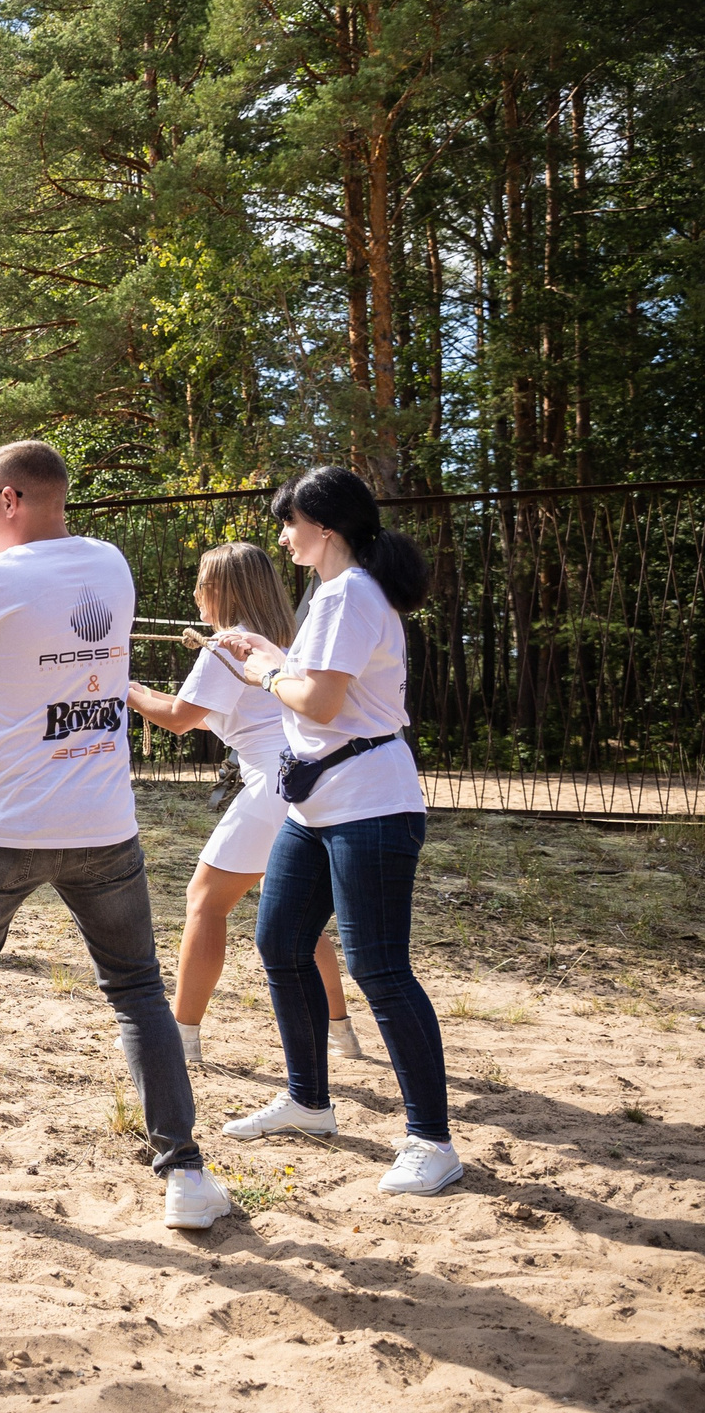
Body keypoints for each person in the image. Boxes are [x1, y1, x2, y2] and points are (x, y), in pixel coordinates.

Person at [0, 440, 226, 1231]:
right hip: (102, 823)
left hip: (2, 824)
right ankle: (185, 1172)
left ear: (10, 500)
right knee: (138, 990)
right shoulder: (110, 562)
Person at [210, 466, 459, 1198]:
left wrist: (262, 674)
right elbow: (315, 684)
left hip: (371, 806)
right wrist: (271, 660)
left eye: (289, 522)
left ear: (325, 526)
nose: (282, 535)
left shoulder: (350, 591)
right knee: (280, 942)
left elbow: (318, 701)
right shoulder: (332, 591)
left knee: (380, 968)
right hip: (317, 806)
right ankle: (310, 1101)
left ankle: (432, 1140)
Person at [125, 543, 357, 1065]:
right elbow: (214, 715)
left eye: (201, 582)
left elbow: (182, 718)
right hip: (309, 781)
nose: (194, 593)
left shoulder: (227, 648)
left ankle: (180, 1036)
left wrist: (126, 688)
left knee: (205, 902)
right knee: (302, 919)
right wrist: (147, 696)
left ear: (221, 591)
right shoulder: (282, 641)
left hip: (272, 784)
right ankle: (342, 1033)